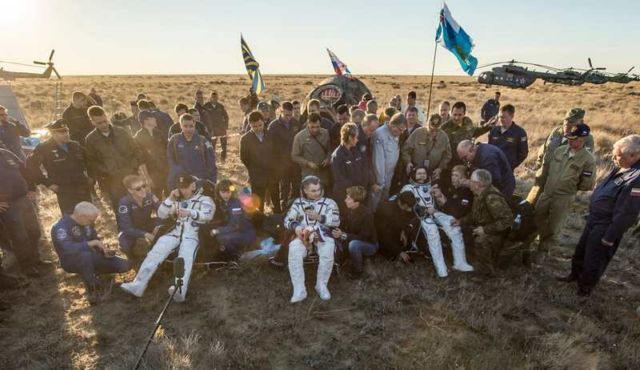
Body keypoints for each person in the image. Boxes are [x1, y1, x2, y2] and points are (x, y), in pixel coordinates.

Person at [557, 135, 640, 296]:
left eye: (618, 155)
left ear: (633, 156)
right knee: (581, 251)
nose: (613, 158)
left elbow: (627, 212)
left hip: (606, 225)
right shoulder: (622, 166)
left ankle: (584, 289)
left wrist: (610, 236)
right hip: (595, 219)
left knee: (594, 258)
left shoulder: (637, 179)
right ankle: (574, 275)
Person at [120, 174, 215, 302]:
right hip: (174, 233)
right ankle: (138, 285)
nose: (183, 190)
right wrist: (170, 199)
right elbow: (162, 214)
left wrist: (190, 213)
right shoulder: (177, 200)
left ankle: (179, 290)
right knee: (155, 252)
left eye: (186, 187)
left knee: (184, 258)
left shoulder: (205, 199)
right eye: (181, 188)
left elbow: (207, 216)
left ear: (193, 186)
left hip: (192, 236)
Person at [533, 124, 595, 261]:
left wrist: (568, 187)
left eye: (574, 139)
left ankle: (543, 250)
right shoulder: (560, 151)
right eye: (569, 138)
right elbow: (547, 170)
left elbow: (586, 184)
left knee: (554, 226)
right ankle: (532, 242)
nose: (570, 141)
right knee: (536, 218)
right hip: (547, 193)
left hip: (563, 198)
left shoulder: (588, 160)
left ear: (583, 139)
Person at [51, 202, 130, 304]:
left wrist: (103, 250)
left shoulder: (86, 223)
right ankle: (93, 290)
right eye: (92, 220)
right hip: (72, 261)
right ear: (81, 216)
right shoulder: (61, 227)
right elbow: (67, 248)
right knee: (85, 256)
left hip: (92, 256)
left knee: (125, 265)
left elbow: (94, 238)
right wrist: (90, 243)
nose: (93, 222)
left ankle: (96, 273)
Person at [401, 167, 474, 277]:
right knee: (433, 233)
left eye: (424, 173)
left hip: (438, 214)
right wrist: (423, 209)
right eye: (419, 173)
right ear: (413, 175)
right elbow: (407, 200)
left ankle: (460, 262)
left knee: (453, 229)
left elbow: (447, 206)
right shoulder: (409, 187)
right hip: (422, 215)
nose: (421, 175)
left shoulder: (434, 186)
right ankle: (441, 269)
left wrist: (440, 197)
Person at [284, 176, 340, 303]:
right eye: (313, 191)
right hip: (304, 235)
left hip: (324, 235)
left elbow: (336, 221)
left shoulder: (330, 202)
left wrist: (320, 217)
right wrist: (296, 227)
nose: (317, 193)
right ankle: (299, 290)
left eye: (319, 189)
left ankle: (321, 285)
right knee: (294, 249)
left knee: (328, 248)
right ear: (305, 190)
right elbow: (287, 220)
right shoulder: (298, 203)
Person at [527, 107, 595, 204]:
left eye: (572, 123)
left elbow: (584, 162)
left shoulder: (586, 138)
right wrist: (539, 167)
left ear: (581, 122)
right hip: (542, 178)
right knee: (530, 204)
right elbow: (544, 149)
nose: (568, 125)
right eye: (566, 122)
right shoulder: (556, 132)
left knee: (551, 214)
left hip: (560, 187)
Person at [85, 106, 146, 210]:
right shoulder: (90, 140)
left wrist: (132, 167)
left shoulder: (122, 132)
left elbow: (137, 151)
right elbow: (92, 163)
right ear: (92, 122)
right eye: (99, 123)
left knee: (139, 209)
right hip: (112, 183)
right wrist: (107, 172)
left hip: (131, 178)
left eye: (105, 121)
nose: (104, 125)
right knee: (121, 211)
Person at [26, 119, 92, 215]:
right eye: (61, 132)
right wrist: (47, 183)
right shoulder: (44, 148)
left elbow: (89, 161)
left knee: (88, 215)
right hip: (64, 189)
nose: (66, 134)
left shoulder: (75, 145)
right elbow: (31, 165)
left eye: (67, 131)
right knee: (71, 218)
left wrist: (91, 177)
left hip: (82, 186)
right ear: (53, 133)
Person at [0, 148, 48, 277]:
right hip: (7, 206)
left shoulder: (6, 152)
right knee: (19, 237)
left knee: (34, 231)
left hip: (24, 198)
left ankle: (36, 259)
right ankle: (27, 266)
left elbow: (24, 170)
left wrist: (31, 188)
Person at [459, 169, 513, 277]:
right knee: (462, 229)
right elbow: (475, 214)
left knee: (481, 240)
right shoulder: (478, 193)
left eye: (471, 180)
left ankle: (486, 273)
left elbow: (507, 220)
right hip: (485, 227)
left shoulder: (492, 198)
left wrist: (485, 230)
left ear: (478, 184)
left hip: (498, 232)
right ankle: (475, 261)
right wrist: (461, 221)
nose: (469, 182)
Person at [331, 186, 377, 278]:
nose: (345, 200)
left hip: (370, 244)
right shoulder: (349, 209)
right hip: (354, 238)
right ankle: (337, 263)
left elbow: (364, 237)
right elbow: (345, 225)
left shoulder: (367, 215)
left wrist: (343, 235)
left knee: (354, 245)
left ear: (357, 202)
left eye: (348, 198)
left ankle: (357, 271)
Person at [331, 123, 376, 211]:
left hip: (360, 194)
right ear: (350, 138)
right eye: (356, 137)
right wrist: (356, 190)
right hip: (346, 197)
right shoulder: (337, 155)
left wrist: (371, 182)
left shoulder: (357, 150)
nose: (357, 139)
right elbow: (339, 178)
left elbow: (365, 167)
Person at [167, 113, 217, 189]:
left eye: (191, 126)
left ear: (195, 125)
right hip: (182, 183)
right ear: (181, 126)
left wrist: (212, 183)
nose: (188, 129)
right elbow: (170, 161)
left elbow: (211, 163)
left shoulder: (203, 141)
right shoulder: (174, 141)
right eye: (185, 126)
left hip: (200, 182)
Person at [209, 180, 256, 261]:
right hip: (236, 231)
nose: (226, 195)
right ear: (218, 192)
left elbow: (235, 226)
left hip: (244, 233)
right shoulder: (223, 202)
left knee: (220, 237)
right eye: (223, 192)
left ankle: (238, 255)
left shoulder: (235, 205)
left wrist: (218, 230)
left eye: (228, 192)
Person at [240, 111, 276, 214]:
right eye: (254, 126)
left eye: (260, 125)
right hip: (256, 176)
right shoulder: (245, 139)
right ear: (250, 125)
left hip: (272, 174)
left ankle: (277, 222)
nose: (258, 128)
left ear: (264, 122)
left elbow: (277, 153)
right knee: (258, 203)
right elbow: (244, 158)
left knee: (276, 201)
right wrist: (254, 168)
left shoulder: (271, 135)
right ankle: (258, 225)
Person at [117, 175, 161, 260]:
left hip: (146, 225)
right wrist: (146, 234)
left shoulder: (150, 196)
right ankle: (134, 259)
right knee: (126, 244)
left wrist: (158, 226)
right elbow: (126, 228)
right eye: (138, 189)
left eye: (144, 186)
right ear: (130, 190)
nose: (143, 190)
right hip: (132, 230)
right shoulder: (124, 203)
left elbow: (163, 212)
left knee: (166, 227)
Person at [268, 101, 301, 213]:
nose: (288, 117)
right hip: (281, 164)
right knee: (284, 188)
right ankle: (283, 211)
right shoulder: (273, 126)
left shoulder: (296, 123)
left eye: (290, 115)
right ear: (280, 112)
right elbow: (270, 147)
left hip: (295, 163)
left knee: (296, 187)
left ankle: (296, 210)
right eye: (286, 115)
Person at [402, 114, 451, 181]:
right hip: (416, 172)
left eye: (436, 130)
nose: (433, 131)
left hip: (433, 173)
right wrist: (408, 162)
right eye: (431, 129)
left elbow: (447, 156)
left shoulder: (444, 137)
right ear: (427, 124)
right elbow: (405, 150)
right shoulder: (417, 133)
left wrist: (440, 168)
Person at [372, 113, 407, 206]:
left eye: (403, 130)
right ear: (392, 124)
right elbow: (378, 161)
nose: (401, 132)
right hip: (379, 179)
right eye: (400, 129)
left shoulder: (395, 133)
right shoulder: (379, 135)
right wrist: (380, 182)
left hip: (388, 177)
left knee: (383, 204)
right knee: (374, 204)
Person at [291, 112, 332, 191]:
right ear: (308, 124)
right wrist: (308, 163)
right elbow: (294, 156)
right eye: (312, 127)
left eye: (317, 127)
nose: (315, 129)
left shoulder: (326, 133)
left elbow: (330, 151)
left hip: (324, 175)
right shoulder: (299, 137)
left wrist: (328, 159)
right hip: (308, 175)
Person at [375, 191, 417, 262]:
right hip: (381, 233)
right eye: (408, 207)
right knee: (391, 252)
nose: (410, 210)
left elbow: (401, 219)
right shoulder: (386, 211)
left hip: (393, 225)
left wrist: (403, 231)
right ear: (401, 203)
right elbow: (383, 235)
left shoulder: (400, 197)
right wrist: (399, 252)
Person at [134, 110, 168, 197]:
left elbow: (168, 150)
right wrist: (148, 178)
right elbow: (141, 160)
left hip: (166, 169)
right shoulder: (139, 137)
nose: (155, 119)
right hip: (152, 173)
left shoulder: (159, 133)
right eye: (153, 118)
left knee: (170, 195)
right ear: (146, 120)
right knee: (157, 196)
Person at [487, 104, 528, 170]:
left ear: (512, 116)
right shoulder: (494, 131)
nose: (500, 120)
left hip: (507, 171)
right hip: (493, 168)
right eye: (499, 117)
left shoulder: (519, 133)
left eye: (503, 117)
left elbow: (523, 153)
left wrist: (511, 165)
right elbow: (489, 149)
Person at [205, 91, 230, 162]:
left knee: (224, 145)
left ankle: (223, 158)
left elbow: (226, 117)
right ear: (210, 98)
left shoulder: (220, 106)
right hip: (212, 129)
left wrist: (225, 126)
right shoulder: (206, 106)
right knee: (212, 145)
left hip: (221, 128)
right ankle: (212, 158)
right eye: (213, 97)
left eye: (216, 97)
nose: (214, 99)